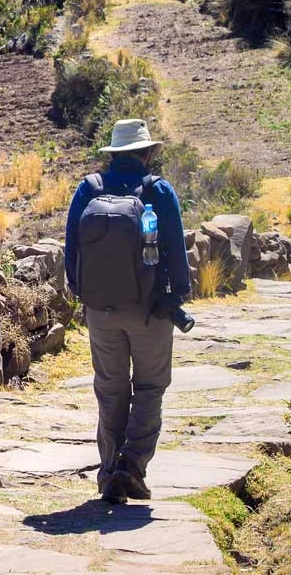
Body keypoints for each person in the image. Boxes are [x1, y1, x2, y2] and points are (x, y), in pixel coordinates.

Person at [64, 119, 191, 505]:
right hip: (149, 309)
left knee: (110, 388)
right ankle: (131, 465)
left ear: (113, 154)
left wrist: (85, 297)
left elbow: (71, 251)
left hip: (100, 311)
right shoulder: (159, 191)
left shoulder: (89, 189)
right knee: (150, 387)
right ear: (147, 153)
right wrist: (177, 296)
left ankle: (108, 473)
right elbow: (177, 251)